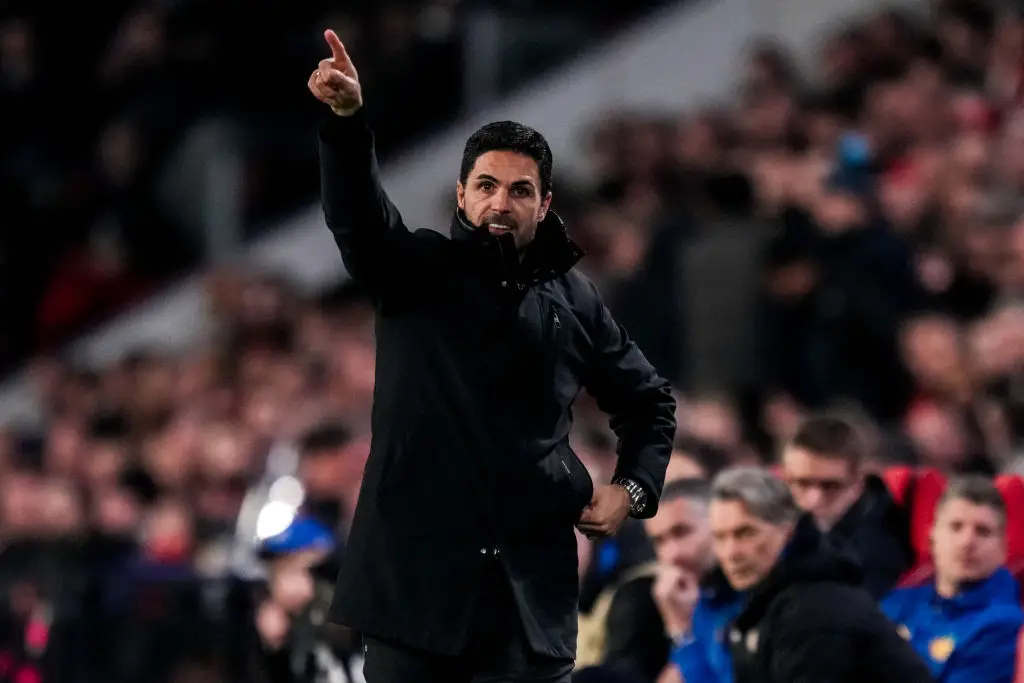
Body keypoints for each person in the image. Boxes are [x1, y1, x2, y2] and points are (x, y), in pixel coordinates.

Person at [307, 29, 676, 683]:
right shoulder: (415, 269)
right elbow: (358, 219)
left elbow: (649, 400)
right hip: (416, 598)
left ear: (545, 205)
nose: (501, 202)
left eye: (520, 190)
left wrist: (634, 488)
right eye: (486, 186)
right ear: (461, 196)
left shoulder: (575, 298)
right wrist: (346, 124)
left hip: (528, 601)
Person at [674, 467, 934, 683]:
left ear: (787, 530)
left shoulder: (815, 610)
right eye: (720, 537)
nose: (731, 552)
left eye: (746, 533)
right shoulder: (765, 605)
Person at [883, 476, 1023, 683]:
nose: (967, 542)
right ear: (932, 538)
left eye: (983, 531)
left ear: (1003, 549)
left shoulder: (1004, 624)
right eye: (956, 527)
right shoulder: (898, 602)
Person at [781, 413, 915, 597]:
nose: (814, 499)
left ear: (858, 480)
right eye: (802, 483)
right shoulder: (784, 523)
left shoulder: (880, 547)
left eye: (830, 486)